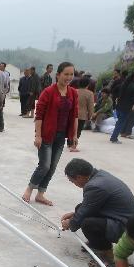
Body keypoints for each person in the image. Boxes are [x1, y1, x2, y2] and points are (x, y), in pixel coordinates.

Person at [60, 158, 134, 267]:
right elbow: (89, 206)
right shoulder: (99, 175)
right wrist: (74, 214)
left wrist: (70, 223)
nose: (74, 184)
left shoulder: (95, 186)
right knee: (80, 209)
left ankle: (108, 257)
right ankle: (96, 243)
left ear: (79, 177)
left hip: (125, 227)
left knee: (88, 223)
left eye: (72, 181)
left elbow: (85, 213)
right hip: (121, 218)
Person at [22, 61, 78, 206]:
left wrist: (74, 135)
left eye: (71, 74)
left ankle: (41, 194)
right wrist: (38, 135)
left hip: (61, 136)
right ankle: (29, 189)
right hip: (47, 135)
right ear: (58, 75)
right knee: (44, 165)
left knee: (52, 167)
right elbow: (39, 115)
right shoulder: (48, 92)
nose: (69, 77)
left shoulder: (73, 93)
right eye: (66, 74)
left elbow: (75, 115)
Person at [109, 69, 134, 144]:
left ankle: (114, 136)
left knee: (119, 122)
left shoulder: (124, 84)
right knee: (120, 123)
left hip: (119, 106)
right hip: (126, 107)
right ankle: (114, 138)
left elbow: (115, 91)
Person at [73, 76, 94, 152]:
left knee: (72, 129)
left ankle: (69, 143)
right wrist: (91, 115)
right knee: (78, 130)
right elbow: (90, 106)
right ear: (88, 84)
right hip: (82, 115)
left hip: (72, 114)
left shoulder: (74, 91)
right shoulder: (90, 93)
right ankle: (74, 145)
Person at [0, 62, 10, 132]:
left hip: (1, 93)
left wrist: (4, 93)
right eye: (0, 66)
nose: (0, 67)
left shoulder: (6, 74)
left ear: (4, 67)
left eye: (2, 66)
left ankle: (0, 127)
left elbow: (6, 84)